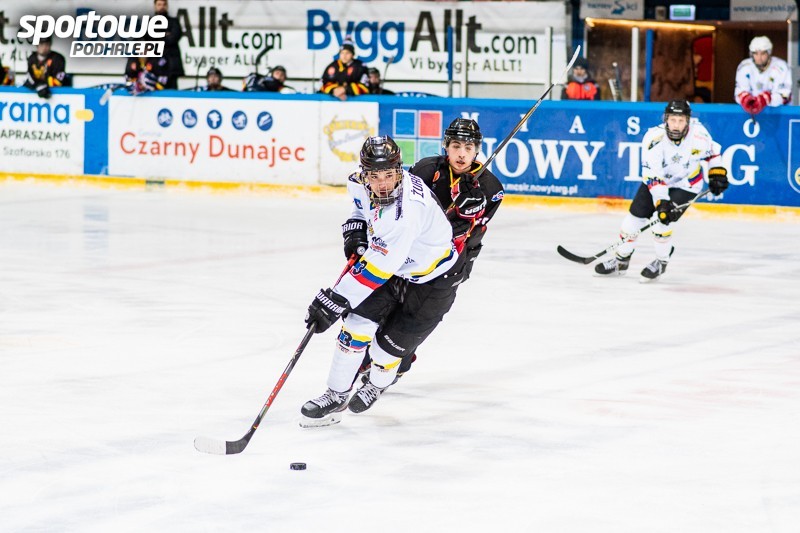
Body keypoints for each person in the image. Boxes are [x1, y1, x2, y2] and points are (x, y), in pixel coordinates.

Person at [300, 136, 466, 427]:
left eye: (389, 175)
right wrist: (355, 231)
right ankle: (336, 393)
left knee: (384, 350)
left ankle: (377, 384)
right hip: (397, 268)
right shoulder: (359, 183)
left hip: (434, 280)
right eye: (375, 177)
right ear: (364, 174)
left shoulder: (405, 214)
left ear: (399, 171)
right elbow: (359, 208)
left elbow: (376, 270)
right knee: (354, 326)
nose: (383, 184)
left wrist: (334, 300)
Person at [358, 118, 502, 382]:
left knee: (416, 314)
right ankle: (376, 357)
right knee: (385, 305)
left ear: (477, 150)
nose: (461, 154)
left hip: (450, 263)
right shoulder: (426, 169)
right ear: (446, 146)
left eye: (468, 148)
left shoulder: (491, 188)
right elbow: (400, 208)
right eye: (456, 146)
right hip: (408, 253)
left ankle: (400, 357)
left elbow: (472, 233)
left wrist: (467, 215)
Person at [594, 100, 729, 282]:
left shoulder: (699, 135)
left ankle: (661, 261)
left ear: (688, 121)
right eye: (673, 120)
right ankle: (621, 260)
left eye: (681, 121)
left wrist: (717, 173)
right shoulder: (653, 138)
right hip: (658, 183)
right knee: (632, 222)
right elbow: (653, 175)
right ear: (666, 119)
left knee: (661, 223)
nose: (676, 125)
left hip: (686, 184)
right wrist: (662, 201)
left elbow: (713, 154)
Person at [735, 36, 791, 114]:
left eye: (763, 53)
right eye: (755, 53)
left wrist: (767, 99)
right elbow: (738, 92)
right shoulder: (744, 67)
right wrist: (745, 99)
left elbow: (785, 96)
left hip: (777, 114)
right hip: (750, 114)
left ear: (769, 53)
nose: (759, 58)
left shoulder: (781, 67)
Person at [154, 0, 184, 88]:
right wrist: (165, 34)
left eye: (164, 4)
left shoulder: (174, 22)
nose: (162, 7)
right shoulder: (149, 22)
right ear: (155, 6)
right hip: (155, 67)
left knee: (172, 93)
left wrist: (158, 35)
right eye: (159, 4)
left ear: (167, 6)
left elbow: (173, 38)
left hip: (171, 67)